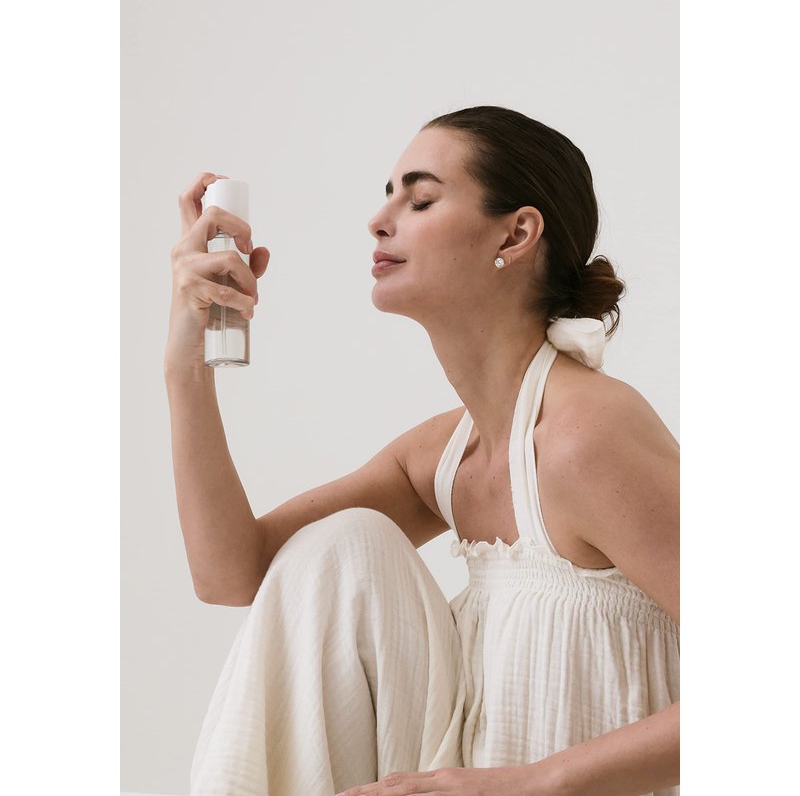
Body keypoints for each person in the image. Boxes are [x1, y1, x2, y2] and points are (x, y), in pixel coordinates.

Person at [165, 106, 679, 796]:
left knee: (346, 541)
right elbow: (234, 574)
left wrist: (530, 783)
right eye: (387, 195)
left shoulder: (586, 437)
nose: (380, 221)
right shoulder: (445, 455)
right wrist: (186, 363)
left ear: (516, 233)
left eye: (421, 199)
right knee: (344, 548)